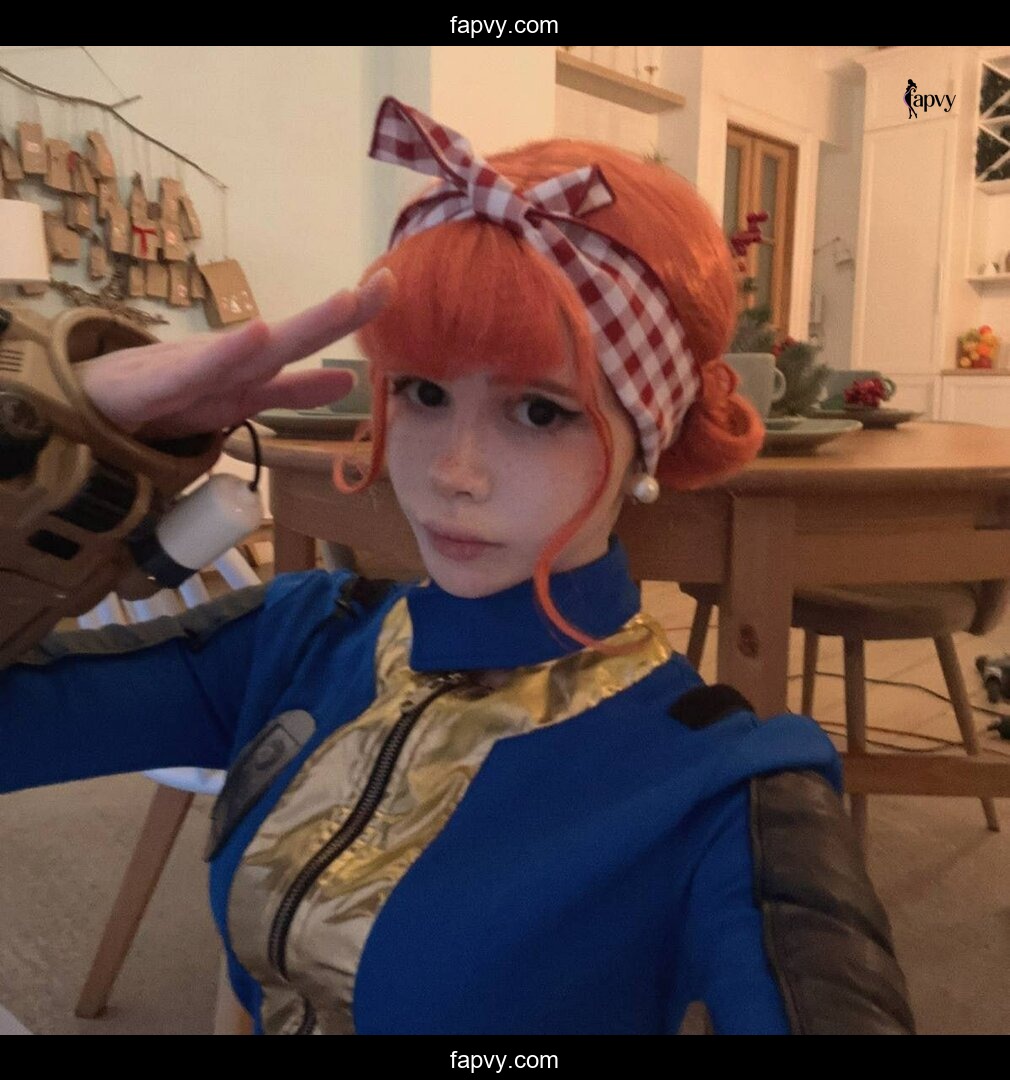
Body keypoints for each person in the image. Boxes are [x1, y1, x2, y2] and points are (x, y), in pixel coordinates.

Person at [0, 98, 915, 1036]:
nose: (453, 473)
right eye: (424, 393)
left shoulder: (726, 785)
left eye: (540, 411)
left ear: (647, 440)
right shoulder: (297, 639)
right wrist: (42, 430)